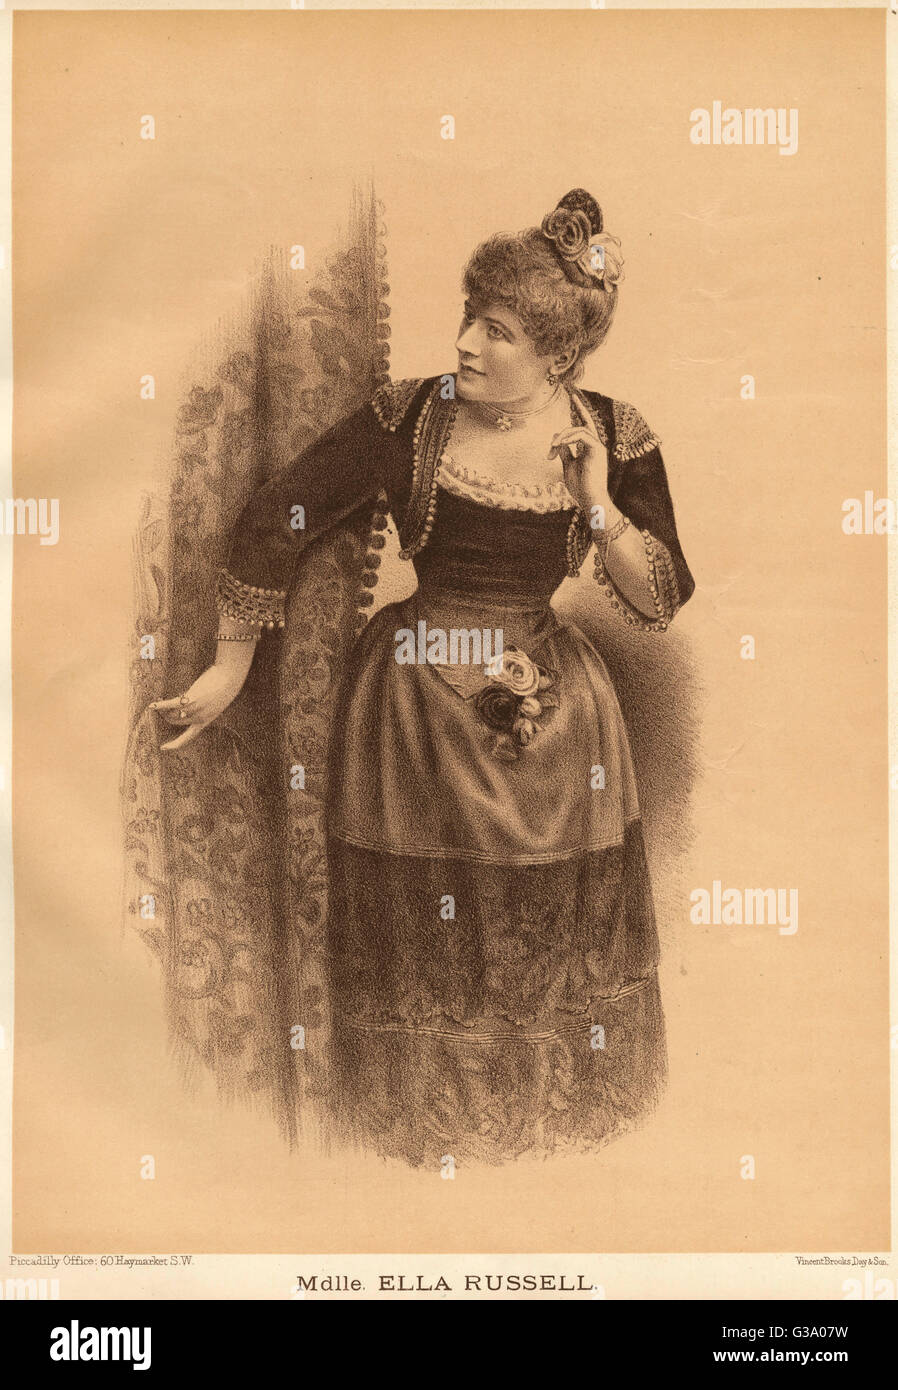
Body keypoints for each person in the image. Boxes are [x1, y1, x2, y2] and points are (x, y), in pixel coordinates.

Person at [151, 188, 694, 1167]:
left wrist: (596, 506)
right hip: (409, 713)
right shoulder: (411, 418)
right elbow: (280, 512)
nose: (466, 345)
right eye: (467, 318)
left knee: (542, 946)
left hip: (562, 730)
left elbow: (659, 596)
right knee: (424, 948)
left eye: (495, 332)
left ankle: (545, 1146)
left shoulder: (614, 433)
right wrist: (231, 664)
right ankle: (422, 1141)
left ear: (558, 357)